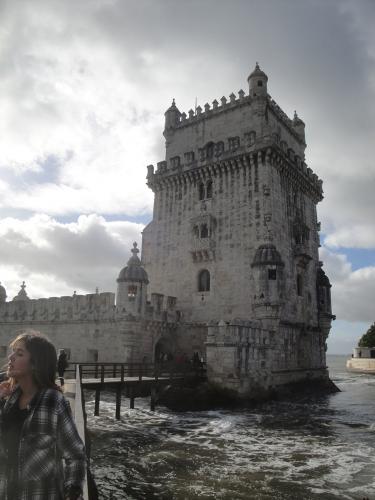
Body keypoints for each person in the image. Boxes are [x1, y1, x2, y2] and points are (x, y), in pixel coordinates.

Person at [0, 330, 86, 499]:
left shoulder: (53, 401)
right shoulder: (9, 398)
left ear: (35, 363)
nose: (10, 358)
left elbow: (75, 455)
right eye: (12, 352)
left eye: (19, 354)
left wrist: (73, 492)